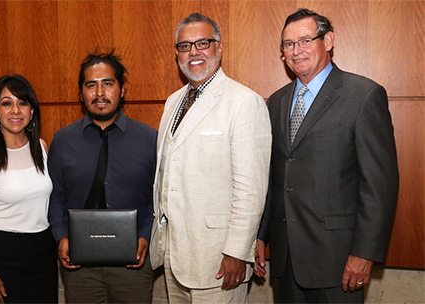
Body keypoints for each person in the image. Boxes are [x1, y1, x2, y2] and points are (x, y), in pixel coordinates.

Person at [255, 8, 399, 303]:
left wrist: (364, 253)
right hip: (285, 261)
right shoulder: (276, 102)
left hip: (339, 261)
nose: (296, 51)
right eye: (288, 44)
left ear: (328, 40)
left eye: (305, 40)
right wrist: (260, 235)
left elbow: (379, 186)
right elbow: (273, 178)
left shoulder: (363, 95)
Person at [149, 13, 272, 304]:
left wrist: (236, 252)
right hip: (175, 255)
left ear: (219, 48)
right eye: (184, 46)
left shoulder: (244, 102)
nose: (193, 52)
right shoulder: (172, 102)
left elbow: (250, 190)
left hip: (218, 259)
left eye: (202, 43)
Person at [47, 50, 157, 303]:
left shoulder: (149, 139)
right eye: (91, 85)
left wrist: (145, 235)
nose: (99, 93)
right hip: (80, 267)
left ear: (122, 89)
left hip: (134, 264)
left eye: (107, 83)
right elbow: (56, 196)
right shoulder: (63, 140)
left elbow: (158, 197)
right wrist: (61, 236)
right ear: (81, 93)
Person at [0, 74, 57, 304]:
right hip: (3, 257)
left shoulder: (41, 147)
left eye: (22, 103)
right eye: (7, 103)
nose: (15, 110)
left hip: (42, 256)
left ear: (32, 111)